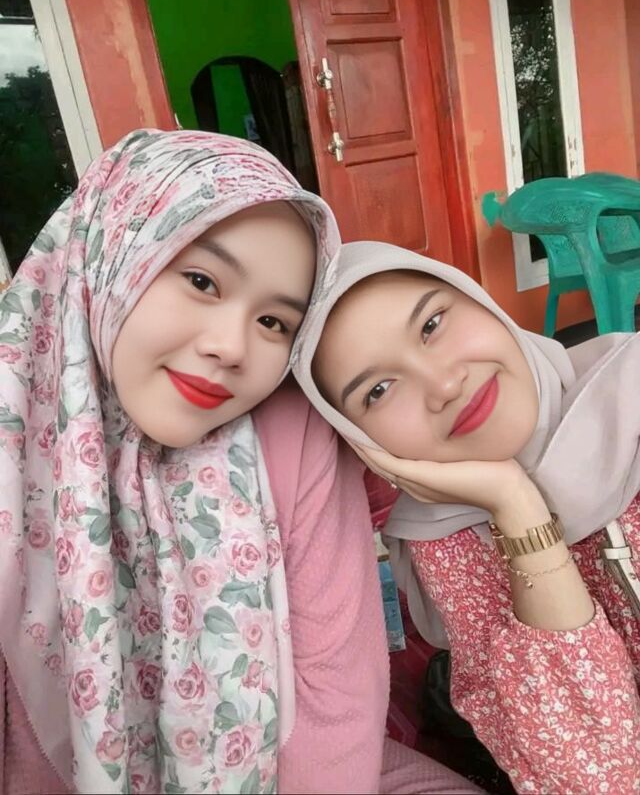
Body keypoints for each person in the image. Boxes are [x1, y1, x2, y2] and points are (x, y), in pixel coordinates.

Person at [0, 131, 480, 795]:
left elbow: (335, 691)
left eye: (275, 322)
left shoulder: (289, 431)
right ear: (109, 258)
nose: (232, 347)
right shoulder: (15, 444)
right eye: (202, 281)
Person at [293, 239, 640, 794]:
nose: (444, 385)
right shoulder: (446, 544)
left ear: (482, 303)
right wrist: (516, 506)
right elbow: (593, 780)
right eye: (379, 390)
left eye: (432, 325)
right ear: (363, 442)